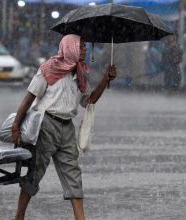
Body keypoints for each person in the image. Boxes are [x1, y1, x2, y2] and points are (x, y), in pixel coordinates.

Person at [11, 34, 116, 220]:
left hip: (67, 128)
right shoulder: (48, 69)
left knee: (73, 174)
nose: (85, 49)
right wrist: (15, 126)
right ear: (71, 48)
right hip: (45, 126)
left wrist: (105, 80)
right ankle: (19, 216)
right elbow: (29, 98)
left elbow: (89, 100)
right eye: (82, 46)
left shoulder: (81, 73)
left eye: (85, 46)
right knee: (34, 173)